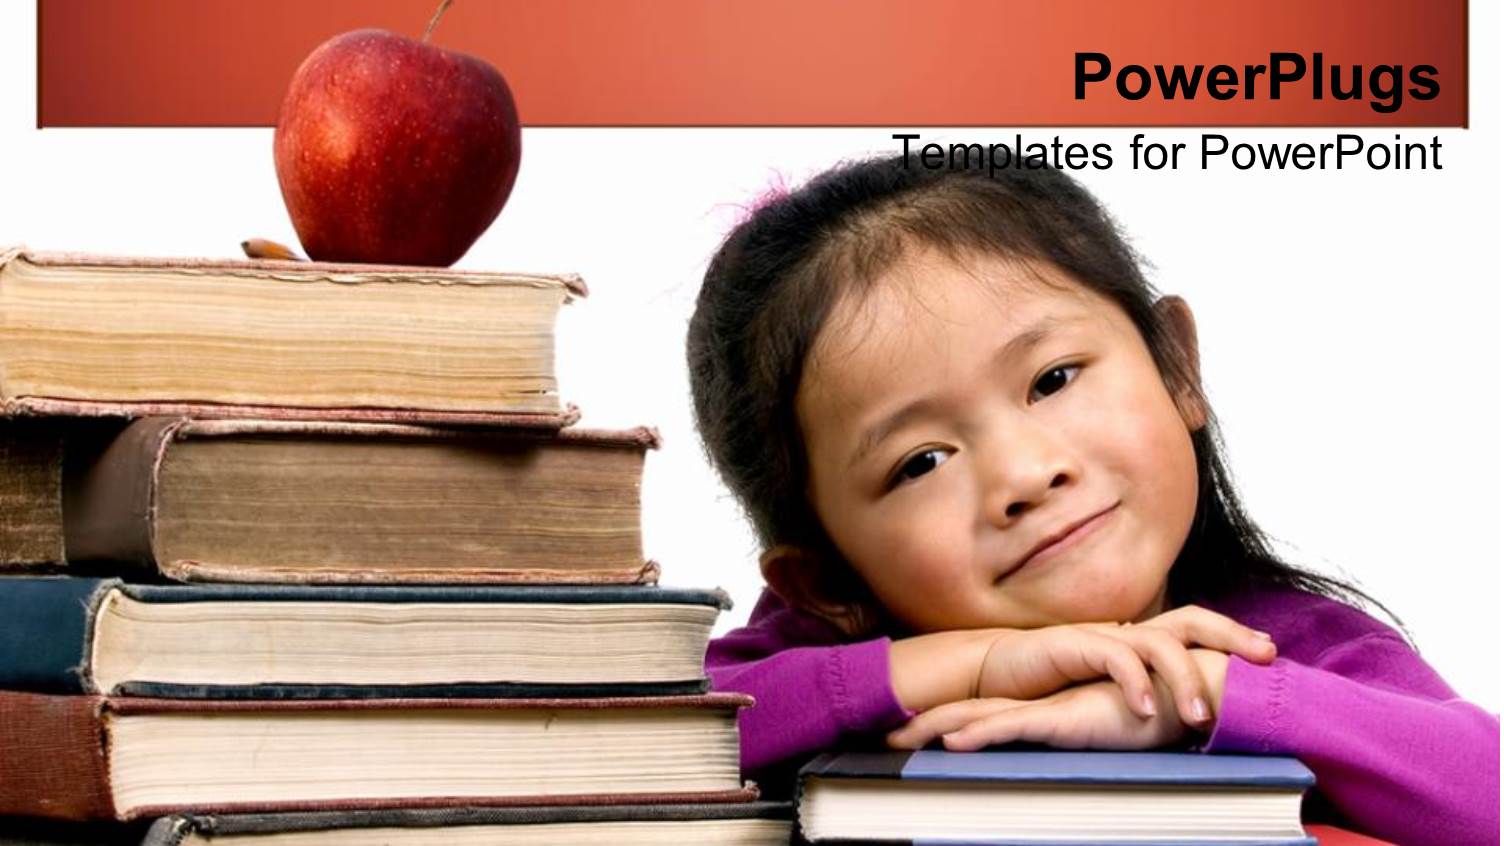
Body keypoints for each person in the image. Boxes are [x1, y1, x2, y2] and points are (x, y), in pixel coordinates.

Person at [686, 153, 1499, 846]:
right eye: (922, 460)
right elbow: (644, 741)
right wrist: (963, 669)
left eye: (1052, 379)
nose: (1027, 474)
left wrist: (1200, 695)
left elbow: (1486, 788)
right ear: (828, 581)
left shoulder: (1281, 648)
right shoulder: (803, 667)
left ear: (1177, 367)